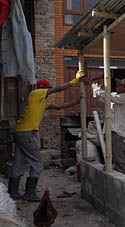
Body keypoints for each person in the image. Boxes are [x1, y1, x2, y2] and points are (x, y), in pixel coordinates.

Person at [8, 71, 85, 201]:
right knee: (37, 163)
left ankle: (13, 191)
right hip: (27, 133)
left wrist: (76, 102)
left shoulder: (42, 102)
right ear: (43, 89)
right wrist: (75, 81)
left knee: (19, 161)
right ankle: (30, 193)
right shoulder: (36, 94)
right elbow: (58, 89)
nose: (49, 92)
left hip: (20, 132)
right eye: (48, 90)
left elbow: (59, 106)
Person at [92, 78, 125, 174]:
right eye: (117, 84)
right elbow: (98, 97)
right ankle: (117, 174)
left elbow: (107, 97)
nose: (117, 86)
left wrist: (100, 89)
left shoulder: (124, 98)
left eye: (120, 85)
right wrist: (95, 86)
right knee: (110, 155)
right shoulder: (114, 95)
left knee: (118, 157)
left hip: (117, 131)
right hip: (109, 129)